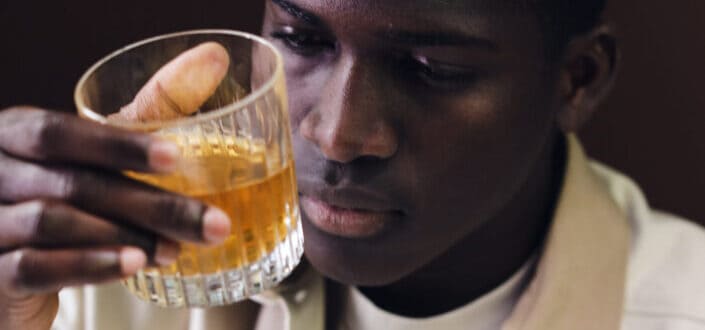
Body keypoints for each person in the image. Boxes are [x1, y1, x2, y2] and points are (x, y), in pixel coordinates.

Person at [1, 0, 704, 329]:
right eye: (302, 39)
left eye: (432, 67)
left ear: (576, 80)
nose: (335, 134)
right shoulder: (100, 269)